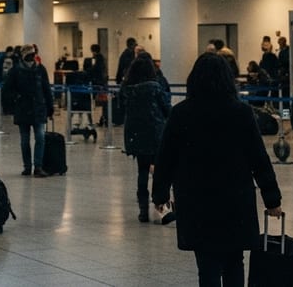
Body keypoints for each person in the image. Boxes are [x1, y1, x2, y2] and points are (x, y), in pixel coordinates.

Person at [152, 53, 283, 287]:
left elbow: (166, 157)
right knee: (234, 261)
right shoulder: (241, 112)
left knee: (207, 264)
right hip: (234, 197)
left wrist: (160, 194)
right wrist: (272, 198)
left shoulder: (182, 112)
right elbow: (258, 158)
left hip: (196, 198)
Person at [121, 53, 172, 223]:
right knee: (160, 170)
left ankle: (143, 210)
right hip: (155, 132)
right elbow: (166, 107)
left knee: (142, 171)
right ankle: (161, 205)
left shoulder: (128, 89)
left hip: (136, 134)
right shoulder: (155, 87)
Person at [3, 44, 54, 177]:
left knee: (40, 137)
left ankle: (38, 166)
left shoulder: (40, 69)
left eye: (33, 54)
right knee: (25, 140)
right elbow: (7, 89)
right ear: (23, 55)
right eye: (29, 54)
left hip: (38, 108)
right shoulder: (15, 71)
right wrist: (15, 100)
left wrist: (50, 107)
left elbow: (46, 89)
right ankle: (27, 166)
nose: (32, 57)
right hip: (23, 109)